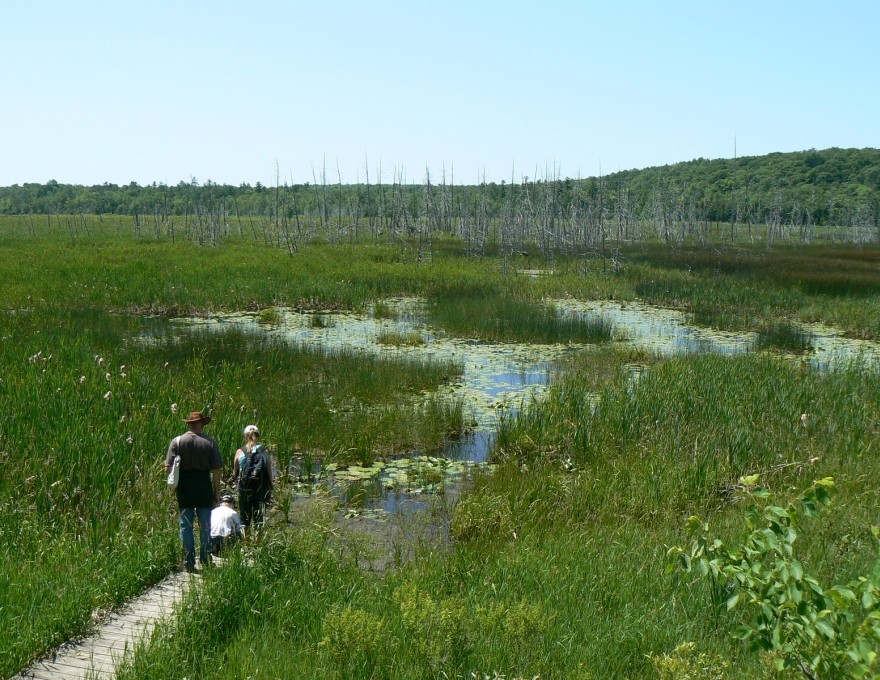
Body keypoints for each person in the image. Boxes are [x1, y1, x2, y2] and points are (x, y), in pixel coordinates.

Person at [165, 411, 222, 573]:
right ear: (202, 424)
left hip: (185, 486)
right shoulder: (209, 442)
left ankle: (189, 561)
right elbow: (216, 469)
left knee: (186, 526)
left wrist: (175, 485)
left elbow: (168, 468)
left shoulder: (177, 441)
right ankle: (205, 558)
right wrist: (217, 492)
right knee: (205, 526)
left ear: (189, 424)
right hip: (204, 486)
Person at [234, 424, 273, 529]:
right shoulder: (265, 451)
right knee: (259, 519)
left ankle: (246, 543)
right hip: (260, 489)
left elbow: (236, 473)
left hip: (244, 490)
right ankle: (258, 543)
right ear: (258, 436)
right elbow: (269, 473)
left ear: (245, 436)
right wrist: (270, 489)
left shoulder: (240, 452)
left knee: (244, 520)